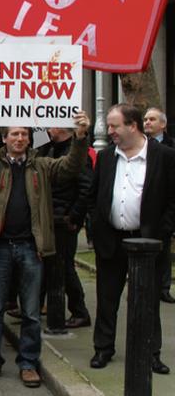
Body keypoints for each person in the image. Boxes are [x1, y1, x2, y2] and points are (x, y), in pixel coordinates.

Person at [0, 111, 90, 388]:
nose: (20, 138)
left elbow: (70, 168)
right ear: (4, 139)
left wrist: (79, 138)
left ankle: (28, 364)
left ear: (29, 139)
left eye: (24, 134)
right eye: (15, 134)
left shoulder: (42, 166)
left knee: (30, 311)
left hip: (31, 248)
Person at [89, 103, 175, 374]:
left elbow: (172, 201)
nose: (109, 130)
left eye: (114, 126)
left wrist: (161, 233)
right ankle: (103, 348)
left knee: (147, 301)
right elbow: (94, 196)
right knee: (107, 298)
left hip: (147, 242)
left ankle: (151, 353)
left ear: (133, 126)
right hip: (111, 241)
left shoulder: (164, 156)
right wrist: (94, 229)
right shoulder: (106, 157)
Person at [36, 127, 93, 332]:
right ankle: (38, 306)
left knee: (65, 267)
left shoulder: (76, 153)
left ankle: (79, 311)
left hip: (64, 220)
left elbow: (87, 187)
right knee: (48, 263)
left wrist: (73, 217)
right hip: (52, 216)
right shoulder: (50, 148)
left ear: (60, 126)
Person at [142, 107, 175, 303]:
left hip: (163, 211)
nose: (147, 122)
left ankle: (163, 289)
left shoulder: (170, 149)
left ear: (162, 124)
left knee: (163, 253)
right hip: (143, 208)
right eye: (145, 119)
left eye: (152, 119)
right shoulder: (139, 146)